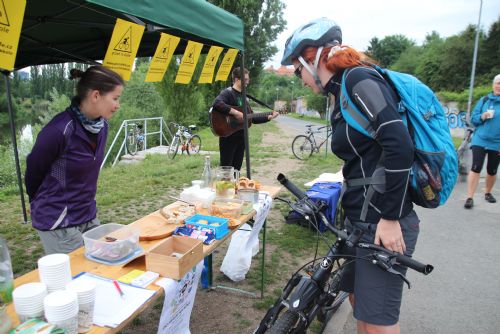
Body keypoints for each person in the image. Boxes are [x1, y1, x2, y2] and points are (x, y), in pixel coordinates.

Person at [282, 18, 418, 334]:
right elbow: (368, 153)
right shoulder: (341, 90)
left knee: (378, 325)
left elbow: (399, 144)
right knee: (360, 305)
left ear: (312, 59)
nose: (298, 77)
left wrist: (390, 217)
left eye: (297, 68)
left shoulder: (358, 79)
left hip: (381, 222)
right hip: (360, 220)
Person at [25, 66, 124, 255]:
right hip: (58, 219)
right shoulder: (60, 130)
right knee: (77, 277)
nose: (118, 105)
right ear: (96, 96)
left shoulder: (102, 126)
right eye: (115, 98)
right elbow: (34, 171)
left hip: (87, 214)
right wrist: (35, 201)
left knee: (102, 268)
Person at [212, 67, 279, 170]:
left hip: (241, 138)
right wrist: (235, 113)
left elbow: (251, 118)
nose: (248, 82)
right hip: (228, 137)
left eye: (248, 79)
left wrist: (268, 117)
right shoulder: (228, 93)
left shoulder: (244, 97)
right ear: (237, 80)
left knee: (237, 170)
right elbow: (216, 103)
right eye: (246, 79)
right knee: (226, 170)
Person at [464, 74, 500, 209]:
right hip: (480, 139)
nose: (499, 86)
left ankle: (488, 193)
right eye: (497, 83)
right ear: (493, 85)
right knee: (476, 167)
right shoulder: (484, 100)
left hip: (497, 143)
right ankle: (469, 197)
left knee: (492, 170)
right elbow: (474, 119)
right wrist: (482, 116)